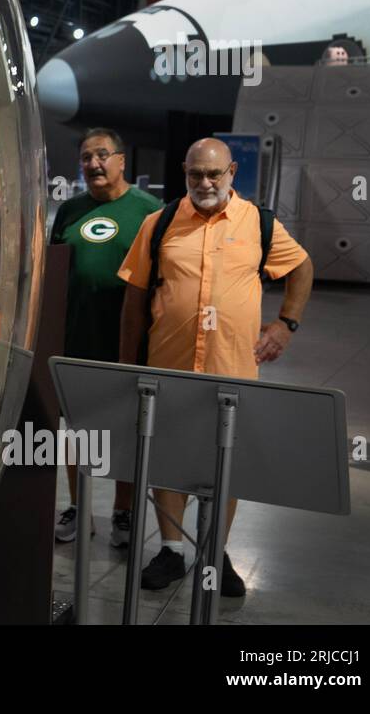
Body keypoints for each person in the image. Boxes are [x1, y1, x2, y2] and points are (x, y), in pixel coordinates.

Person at [117, 138, 314, 597]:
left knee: (226, 464)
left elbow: (302, 268)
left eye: (214, 175)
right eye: (195, 175)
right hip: (170, 366)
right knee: (167, 458)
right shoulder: (160, 222)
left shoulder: (259, 223)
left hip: (232, 369)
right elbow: (134, 298)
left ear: (232, 173)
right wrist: (127, 363)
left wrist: (286, 324)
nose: (205, 183)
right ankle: (171, 549)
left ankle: (214, 553)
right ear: (185, 172)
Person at [51, 128, 161, 546]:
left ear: (121, 160)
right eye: (85, 158)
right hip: (77, 336)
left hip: (131, 343)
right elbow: (56, 270)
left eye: (101, 155)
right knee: (78, 430)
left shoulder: (150, 212)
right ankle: (80, 508)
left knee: (128, 428)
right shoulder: (69, 211)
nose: (93, 164)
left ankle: (124, 512)